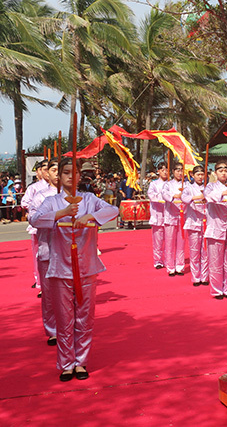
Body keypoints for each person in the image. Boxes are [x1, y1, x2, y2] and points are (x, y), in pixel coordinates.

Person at [30, 158, 119, 381]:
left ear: (80, 176)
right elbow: (35, 219)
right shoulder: (51, 201)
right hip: (61, 268)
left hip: (87, 267)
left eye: (75, 172)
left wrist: (91, 216)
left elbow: (113, 210)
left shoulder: (89, 199)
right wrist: (62, 213)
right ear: (59, 176)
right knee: (64, 317)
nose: (71, 176)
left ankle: (81, 362)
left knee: (85, 317)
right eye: (66, 172)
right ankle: (66, 363)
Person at [26, 160, 59, 343]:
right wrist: (55, 218)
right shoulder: (39, 196)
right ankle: (52, 329)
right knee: (48, 293)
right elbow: (33, 218)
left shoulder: (71, 195)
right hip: (47, 249)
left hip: (68, 253)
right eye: (51, 170)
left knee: (69, 293)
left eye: (57, 170)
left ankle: (67, 326)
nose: (54, 173)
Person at [204, 161, 227, 299]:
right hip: (216, 227)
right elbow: (209, 198)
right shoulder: (210, 187)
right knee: (215, 261)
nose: (224, 173)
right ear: (215, 173)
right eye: (221, 170)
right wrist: (224, 193)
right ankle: (217, 289)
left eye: (226, 170)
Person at [21, 161, 49, 293]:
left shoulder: (60, 187)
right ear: (39, 172)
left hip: (55, 226)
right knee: (39, 254)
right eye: (45, 169)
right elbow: (25, 202)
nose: (48, 172)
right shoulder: (34, 188)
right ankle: (40, 281)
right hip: (38, 226)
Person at [181, 165, 209, 287]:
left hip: (206, 222)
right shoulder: (188, 188)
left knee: (205, 250)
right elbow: (184, 198)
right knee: (194, 251)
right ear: (193, 175)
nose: (200, 177)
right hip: (193, 222)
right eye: (198, 174)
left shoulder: (207, 188)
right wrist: (196, 197)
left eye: (202, 174)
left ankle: (204, 276)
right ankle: (195, 276)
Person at [161, 163, 186, 276]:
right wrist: (175, 196)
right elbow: (165, 195)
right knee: (170, 243)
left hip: (183, 217)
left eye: (181, 170)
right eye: (177, 170)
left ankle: (180, 266)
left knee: (181, 243)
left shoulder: (187, 185)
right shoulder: (167, 185)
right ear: (173, 171)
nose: (180, 173)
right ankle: (170, 266)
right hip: (171, 216)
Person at [147, 163, 169, 269]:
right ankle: (158, 260)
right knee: (158, 240)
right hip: (158, 214)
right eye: (162, 169)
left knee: (169, 240)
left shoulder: (171, 184)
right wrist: (162, 198)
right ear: (158, 171)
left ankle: (169, 259)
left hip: (169, 215)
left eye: (166, 169)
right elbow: (151, 195)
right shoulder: (154, 184)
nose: (165, 171)